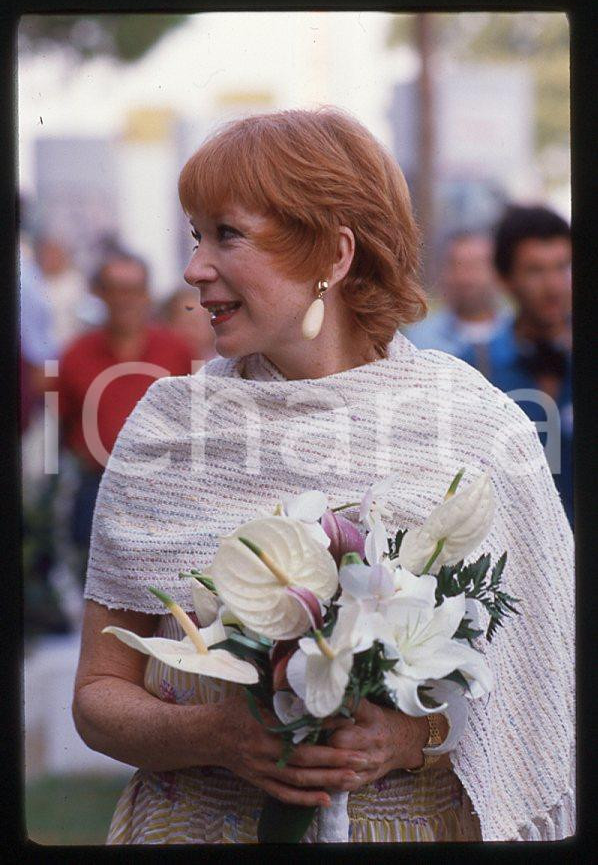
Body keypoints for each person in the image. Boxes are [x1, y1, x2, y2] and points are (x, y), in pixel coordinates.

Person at [72, 109, 574, 844]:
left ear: (333, 255)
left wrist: (408, 739)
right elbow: (95, 694)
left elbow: (538, 687)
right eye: (195, 235)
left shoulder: (474, 424)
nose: (193, 268)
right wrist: (219, 735)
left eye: (227, 234)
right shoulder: (167, 428)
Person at [54, 251, 196, 583]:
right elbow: (61, 426)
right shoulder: (75, 355)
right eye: (115, 288)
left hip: (165, 492)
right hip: (96, 490)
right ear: (99, 293)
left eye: (133, 289)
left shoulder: (177, 350)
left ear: (147, 294)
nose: (124, 300)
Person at [460, 206, 573, 527]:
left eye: (563, 267)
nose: (554, 286)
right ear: (505, 280)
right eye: (535, 271)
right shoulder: (475, 368)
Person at [404, 231, 512, 370]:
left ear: (496, 271)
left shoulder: (519, 335)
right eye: (455, 266)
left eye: (474, 266)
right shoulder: (418, 339)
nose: (464, 278)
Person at [157, 288, 217, 362]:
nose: (202, 328)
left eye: (206, 318)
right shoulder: (164, 362)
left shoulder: (224, 365)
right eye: (192, 322)